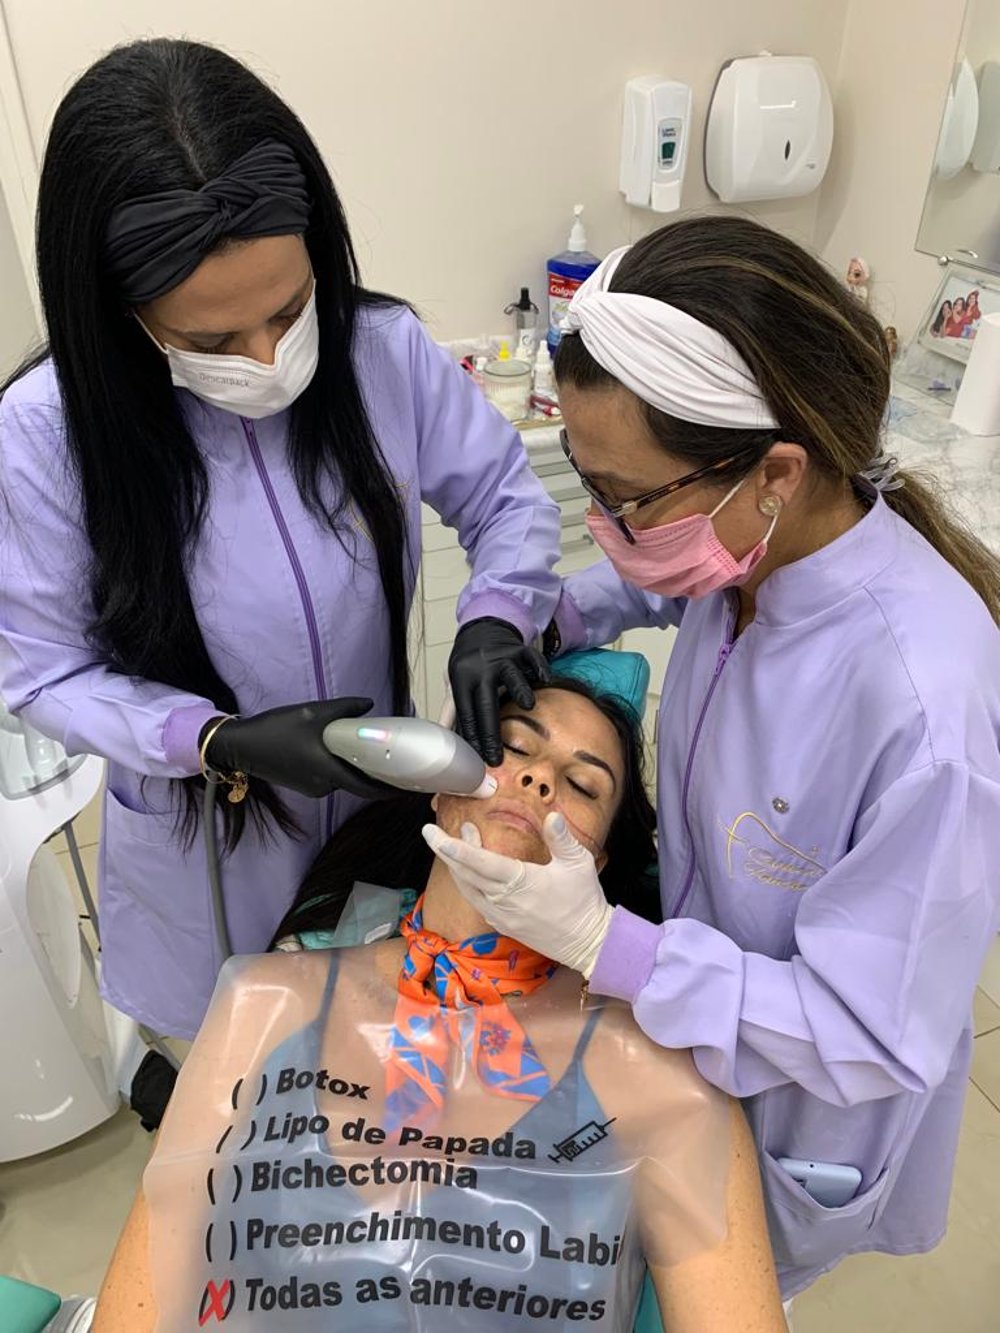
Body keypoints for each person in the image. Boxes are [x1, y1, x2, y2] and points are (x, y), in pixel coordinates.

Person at [424, 215, 1000, 1303]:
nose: (602, 525)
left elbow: (867, 1036)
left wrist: (608, 945)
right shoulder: (749, 545)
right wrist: (527, 625)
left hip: (796, 1108)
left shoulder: (928, 713)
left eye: (624, 498)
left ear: (773, 472)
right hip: (666, 1039)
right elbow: (660, 573)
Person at [0, 38, 560, 1039]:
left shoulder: (379, 352)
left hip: (382, 841)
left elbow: (510, 502)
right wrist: (207, 738)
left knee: (376, 1091)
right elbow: (41, 675)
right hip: (201, 867)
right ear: (120, 314)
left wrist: (498, 612)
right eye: (213, 340)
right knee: (236, 1121)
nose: (267, 360)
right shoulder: (47, 437)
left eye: (289, 309)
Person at [92, 673, 786, 1332]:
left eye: (580, 784)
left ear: (597, 861)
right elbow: (144, 1302)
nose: (539, 776)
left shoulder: (661, 1067)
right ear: (438, 783)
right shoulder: (262, 1002)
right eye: (512, 745)